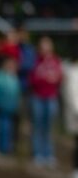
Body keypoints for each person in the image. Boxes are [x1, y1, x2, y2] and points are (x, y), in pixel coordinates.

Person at [29, 36, 64, 167]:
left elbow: (59, 77)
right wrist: (45, 78)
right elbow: (32, 78)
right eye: (43, 47)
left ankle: (48, 154)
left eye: (47, 46)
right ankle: (37, 154)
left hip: (51, 97)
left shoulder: (55, 61)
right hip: (38, 97)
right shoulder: (36, 61)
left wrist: (53, 78)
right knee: (38, 126)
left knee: (48, 128)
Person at [0, 57, 22, 155]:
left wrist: (15, 105)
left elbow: (16, 94)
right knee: (0, 127)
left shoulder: (14, 78)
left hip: (10, 108)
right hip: (0, 106)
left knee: (7, 128)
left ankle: (5, 148)